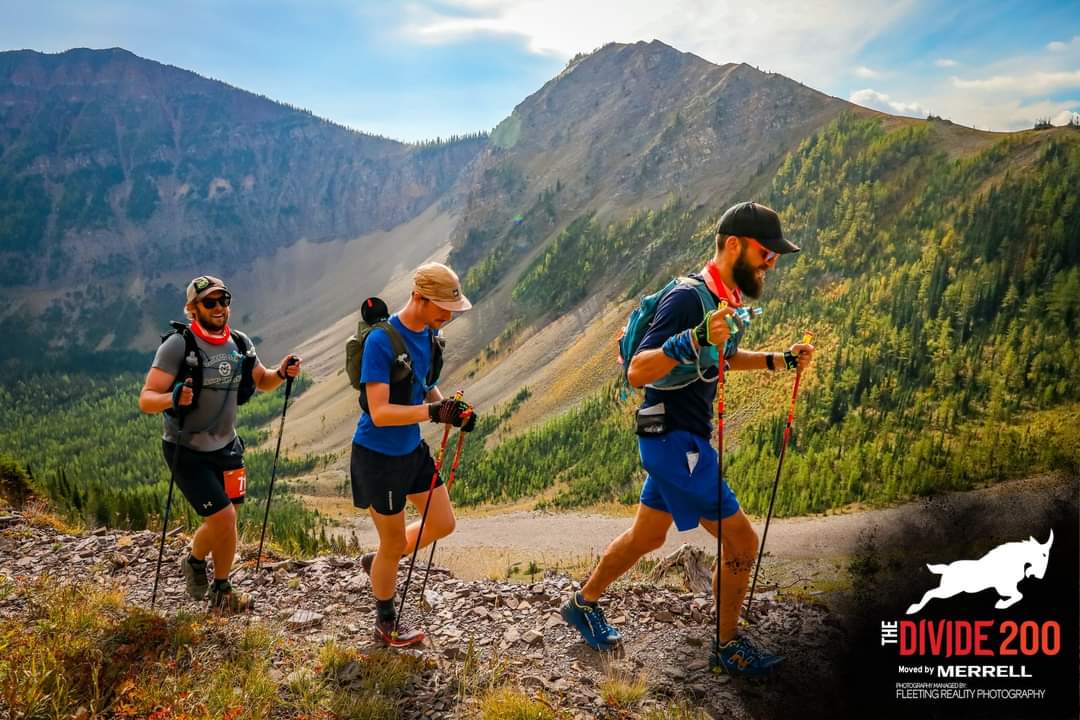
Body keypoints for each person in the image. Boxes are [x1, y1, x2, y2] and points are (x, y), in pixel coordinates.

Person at [562, 201, 815, 676]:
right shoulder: (688, 300)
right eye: (766, 252)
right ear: (733, 245)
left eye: (776, 256)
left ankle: (582, 603)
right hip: (678, 444)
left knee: (647, 535)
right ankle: (726, 646)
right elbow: (638, 370)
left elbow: (723, 357)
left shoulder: (723, 300)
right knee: (742, 544)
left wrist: (779, 359)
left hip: (671, 438)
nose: (771, 263)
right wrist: (694, 339)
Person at [139, 275, 302, 613]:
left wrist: (282, 373)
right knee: (225, 518)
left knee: (226, 519)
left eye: (223, 300)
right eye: (209, 302)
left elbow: (264, 380)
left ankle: (195, 561)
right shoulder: (177, 345)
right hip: (186, 449)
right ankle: (222, 590)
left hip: (227, 445)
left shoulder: (240, 344)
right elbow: (146, 398)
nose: (219, 307)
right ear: (192, 309)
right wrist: (171, 397)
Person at [352, 262, 477, 647]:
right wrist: (432, 413)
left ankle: (379, 565)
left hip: (411, 450)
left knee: (442, 522)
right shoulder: (381, 341)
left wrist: (452, 411)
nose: (449, 315)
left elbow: (425, 386)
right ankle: (385, 623)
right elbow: (380, 411)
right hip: (378, 456)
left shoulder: (429, 335)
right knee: (393, 544)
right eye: (442, 306)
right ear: (419, 297)